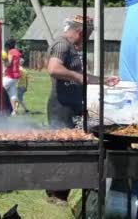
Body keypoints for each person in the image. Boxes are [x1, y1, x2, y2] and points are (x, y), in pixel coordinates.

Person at [45, 15, 119, 203]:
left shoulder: (73, 48)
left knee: (74, 148)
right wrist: (77, 78)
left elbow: (81, 76)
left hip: (74, 106)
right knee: (64, 149)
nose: (88, 39)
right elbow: (54, 69)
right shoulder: (62, 45)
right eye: (88, 34)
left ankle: (61, 193)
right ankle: (56, 194)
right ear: (80, 31)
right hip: (61, 107)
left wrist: (103, 80)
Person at [2, 39, 22, 116]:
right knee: (12, 94)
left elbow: (8, 64)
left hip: (10, 76)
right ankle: (14, 111)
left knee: (0, 89)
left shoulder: (11, 52)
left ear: (8, 46)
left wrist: (4, 60)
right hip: (16, 76)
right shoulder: (17, 52)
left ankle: (0, 108)